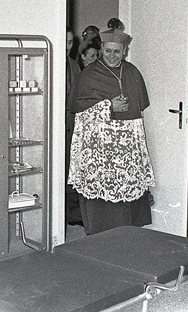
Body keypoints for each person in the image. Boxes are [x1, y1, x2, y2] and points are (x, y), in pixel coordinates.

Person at [67, 28, 155, 235]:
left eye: (117, 51)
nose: (112, 56)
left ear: (125, 51)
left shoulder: (132, 72)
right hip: (99, 147)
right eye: (108, 51)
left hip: (126, 144)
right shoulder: (89, 74)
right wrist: (108, 106)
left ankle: (128, 233)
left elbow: (140, 109)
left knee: (127, 187)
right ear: (102, 48)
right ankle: (100, 233)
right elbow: (79, 112)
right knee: (101, 195)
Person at [65, 28, 83, 226]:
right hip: (57, 122)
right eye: (64, 41)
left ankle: (72, 213)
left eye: (70, 42)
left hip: (72, 122)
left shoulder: (73, 66)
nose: (67, 46)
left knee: (72, 163)